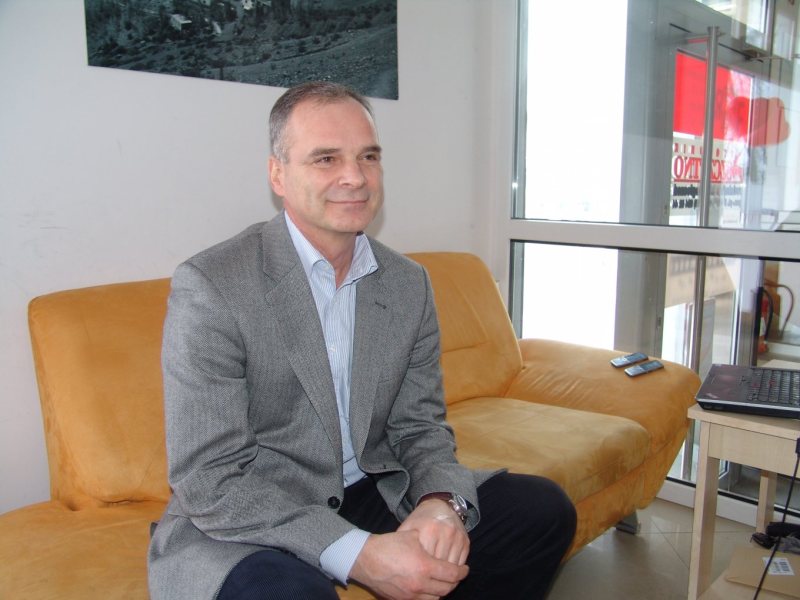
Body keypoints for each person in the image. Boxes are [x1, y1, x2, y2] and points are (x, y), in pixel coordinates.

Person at [148, 81, 576, 600]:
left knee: (542, 510)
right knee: (287, 593)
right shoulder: (214, 285)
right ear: (278, 175)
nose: (355, 177)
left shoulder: (407, 283)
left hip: (371, 488)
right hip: (254, 512)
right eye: (326, 158)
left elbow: (419, 426)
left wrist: (441, 503)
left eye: (368, 156)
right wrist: (362, 554)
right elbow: (208, 477)